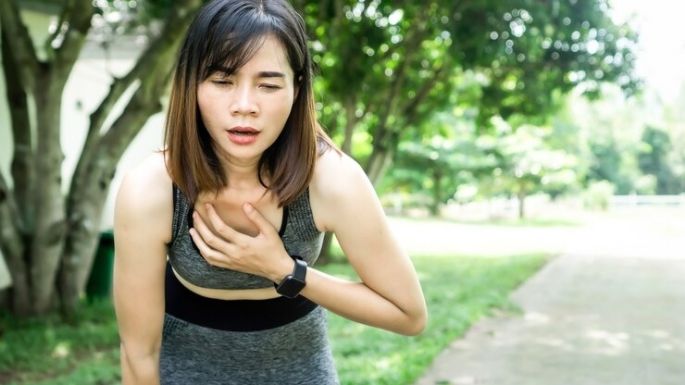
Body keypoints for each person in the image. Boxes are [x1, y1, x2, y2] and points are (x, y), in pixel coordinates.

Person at [112, 0, 427, 384]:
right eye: (223, 81)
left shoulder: (333, 180)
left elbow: (408, 314)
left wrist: (284, 270)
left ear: (297, 89)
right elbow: (138, 353)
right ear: (192, 84)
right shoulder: (151, 189)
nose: (244, 106)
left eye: (268, 84)